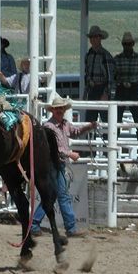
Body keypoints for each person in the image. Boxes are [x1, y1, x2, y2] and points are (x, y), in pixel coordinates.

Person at [31, 95, 96, 238]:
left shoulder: (64, 124)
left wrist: (89, 127)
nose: (59, 110)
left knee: (52, 196)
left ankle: (35, 224)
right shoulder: (48, 127)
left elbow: (76, 132)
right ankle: (70, 228)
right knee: (61, 196)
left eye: (61, 108)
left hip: (57, 165)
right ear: (52, 110)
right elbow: (54, 149)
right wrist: (70, 154)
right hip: (51, 165)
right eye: (57, 108)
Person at [114, 32, 138, 160]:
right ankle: (112, 148)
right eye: (125, 44)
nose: (127, 46)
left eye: (129, 44)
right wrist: (121, 83)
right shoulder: (118, 59)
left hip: (134, 90)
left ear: (133, 44)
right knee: (116, 120)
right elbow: (113, 75)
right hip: (122, 89)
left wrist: (136, 84)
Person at [84, 25, 115, 124]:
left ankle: (108, 138)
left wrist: (106, 93)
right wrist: (86, 91)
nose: (93, 39)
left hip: (102, 89)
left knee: (106, 120)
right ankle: (90, 139)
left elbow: (111, 77)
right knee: (89, 120)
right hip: (92, 90)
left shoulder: (105, 55)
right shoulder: (89, 55)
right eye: (92, 37)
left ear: (100, 38)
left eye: (96, 37)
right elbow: (87, 73)